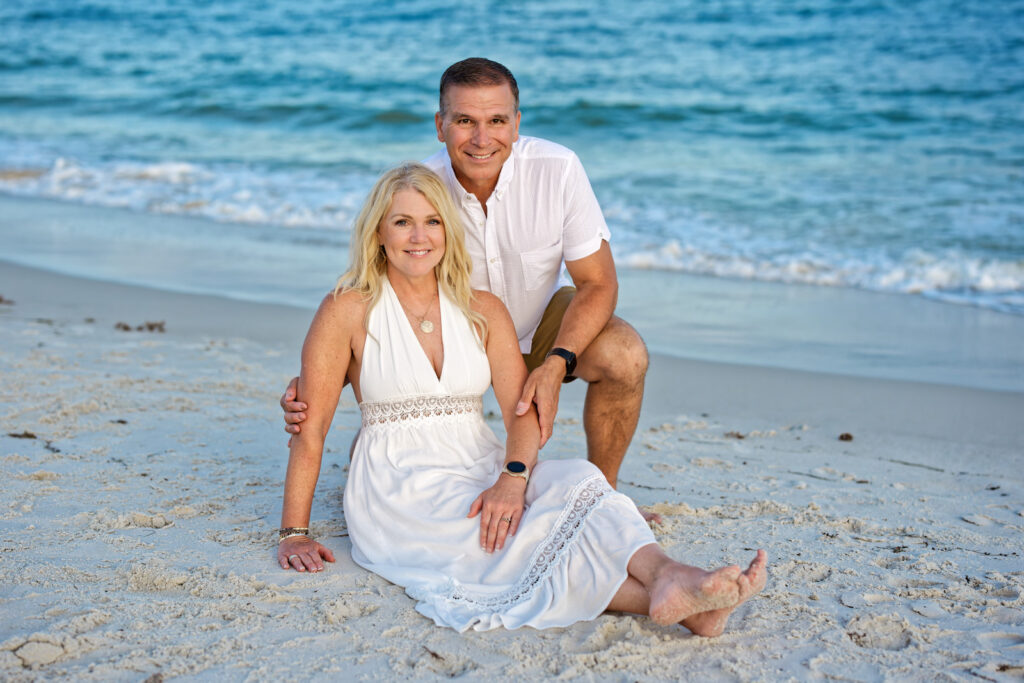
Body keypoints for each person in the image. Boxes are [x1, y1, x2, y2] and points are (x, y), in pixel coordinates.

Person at [276, 163, 767, 635]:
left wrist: (513, 477)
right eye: (402, 222)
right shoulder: (346, 308)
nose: (419, 236)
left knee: (577, 479)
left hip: (478, 457)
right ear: (378, 232)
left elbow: (521, 411)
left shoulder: (483, 309)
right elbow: (310, 427)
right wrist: (294, 531)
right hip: (400, 481)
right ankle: (680, 608)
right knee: (499, 538)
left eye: (432, 222)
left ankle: (668, 576)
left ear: (449, 232)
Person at [281, 58, 650, 507]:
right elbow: (376, 303)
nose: (481, 138)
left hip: (544, 330)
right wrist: (318, 381)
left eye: (496, 120)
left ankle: (606, 495)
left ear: (516, 123)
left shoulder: (559, 169)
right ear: (440, 125)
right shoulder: (421, 191)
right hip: (453, 341)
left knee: (625, 354)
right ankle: (380, 455)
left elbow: (598, 284)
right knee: (384, 437)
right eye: (464, 121)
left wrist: (555, 363)